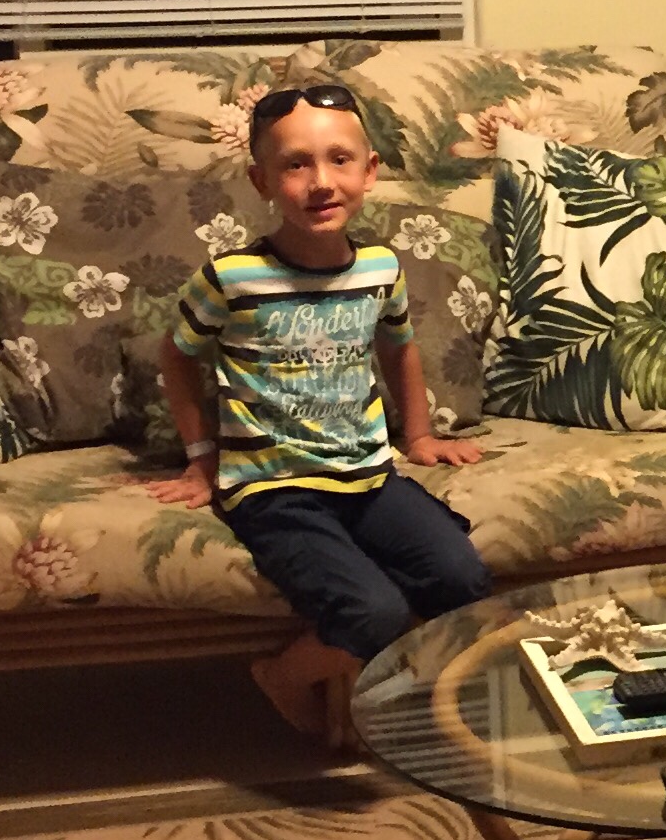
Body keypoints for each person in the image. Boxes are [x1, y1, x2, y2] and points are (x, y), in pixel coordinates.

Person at [146, 80, 487, 736]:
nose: (321, 181)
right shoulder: (231, 279)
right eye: (296, 164)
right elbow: (177, 356)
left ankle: (403, 694)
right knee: (374, 611)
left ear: (369, 171)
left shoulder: (380, 268)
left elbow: (399, 347)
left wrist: (419, 436)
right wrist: (201, 457)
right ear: (262, 181)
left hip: (368, 477)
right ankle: (282, 674)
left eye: (339, 160)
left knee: (461, 577)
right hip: (274, 490)